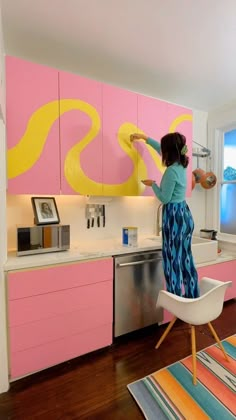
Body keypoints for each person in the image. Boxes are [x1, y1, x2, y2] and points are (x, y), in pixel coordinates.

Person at [130, 132, 199, 299]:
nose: (162, 152)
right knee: (185, 258)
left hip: (174, 216)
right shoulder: (182, 165)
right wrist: (145, 139)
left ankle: (176, 301)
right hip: (185, 214)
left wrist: (152, 184)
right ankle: (192, 297)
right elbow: (161, 151)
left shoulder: (170, 172)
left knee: (172, 260)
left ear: (169, 152)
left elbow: (164, 198)